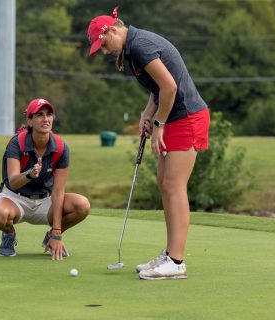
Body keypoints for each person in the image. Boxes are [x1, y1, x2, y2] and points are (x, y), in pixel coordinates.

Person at [88, 7, 210, 280]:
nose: (105, 51)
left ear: (113, 30)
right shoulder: (131, 50)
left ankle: (177, 261)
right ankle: (170, 254)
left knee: (173, 185)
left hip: (187, 117)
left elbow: (170, 88)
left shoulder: (140, 45)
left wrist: (158, 125)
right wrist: (147, 113)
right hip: (175, 117)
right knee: (164, 183)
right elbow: (157, 89)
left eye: (103, 43)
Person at [0, 98, 90, 260]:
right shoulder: (17, 143)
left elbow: (58, 192)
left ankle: (49, 237)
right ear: (30, 121)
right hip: (15, 198)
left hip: (46, 201)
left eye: (49, 114)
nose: (46, 119)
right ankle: (9, 234)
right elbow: (13, 181)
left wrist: (56, 233)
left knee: (82, 205)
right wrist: (29, 174)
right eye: (39, 115)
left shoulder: (61, 147)